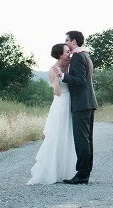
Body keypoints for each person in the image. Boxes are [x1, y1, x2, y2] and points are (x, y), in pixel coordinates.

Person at [27, 44, 77, 185]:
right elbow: (57, 92)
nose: (69, 53)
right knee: (58, 135)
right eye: (67, 52)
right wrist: (57, 79)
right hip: (61, 103)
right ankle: (52, 172)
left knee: (68, 135)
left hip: (69, 103)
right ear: (60, 54)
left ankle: (67, 171)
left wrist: (65, 74)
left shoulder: (68, 66)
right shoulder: (53, 70)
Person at [56, 30, 97, 184]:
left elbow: (79, 80)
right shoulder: (85, 55)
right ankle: (85, 173)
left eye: (66, 40)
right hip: (88, 102)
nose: (65, 43)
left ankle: (82, 174)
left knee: (82, 140)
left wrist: (63, 76)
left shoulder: (78, 57)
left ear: (73, 41)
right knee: (87, 140)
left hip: (81, 103)